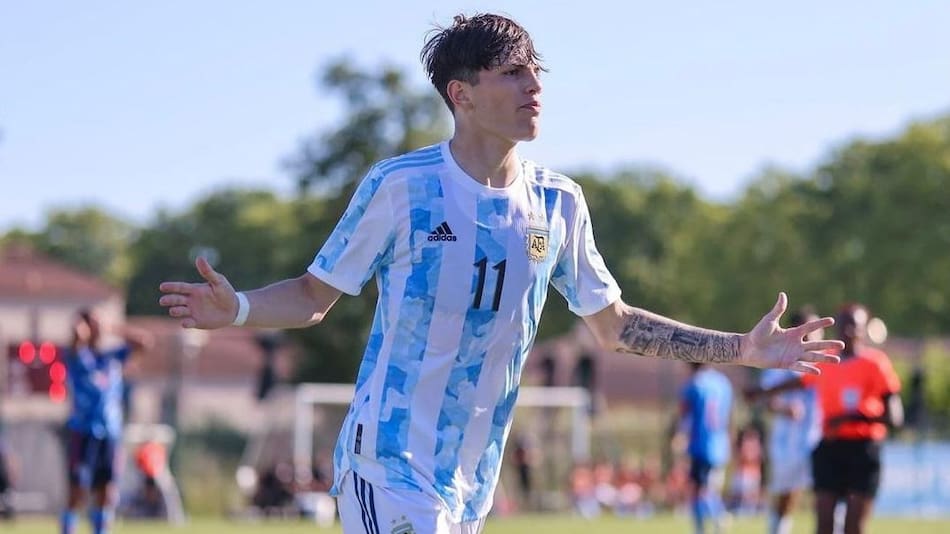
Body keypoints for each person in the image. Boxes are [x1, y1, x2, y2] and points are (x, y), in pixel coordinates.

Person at [157, 13, 840, 534]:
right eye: (514, 72)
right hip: (386, 461)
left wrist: (740, 350)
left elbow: (614, 325)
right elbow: (313, 296)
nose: (535, 87)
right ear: (462, 93)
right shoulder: (401, 188)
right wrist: (240, 309)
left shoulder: (558, 203)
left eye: (537, 71)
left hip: (472, 479)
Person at [747, 303, 901, 534]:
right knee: (824, 524)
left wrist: (852, 417)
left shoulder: (876, 363)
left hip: (864, 449)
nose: (848, 331)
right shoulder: (828, 361)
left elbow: (895, 417)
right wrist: (762, 392)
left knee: (853, 526)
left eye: (854, 325)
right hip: (830, 446)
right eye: (843, 324)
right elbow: (800, 382)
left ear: (864, 328)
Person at [61, 309, 152, 534]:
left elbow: (145, 343)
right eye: (93, 324)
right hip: (83, 432)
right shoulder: (78, 355)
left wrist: (113, 328)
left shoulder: (113, 356)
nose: (97, 328)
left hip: (110, 433)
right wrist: (81, 330)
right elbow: (74, 341)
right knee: (78, 490)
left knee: (107, 491)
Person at [759, 307, 823, 534]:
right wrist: (785, 409)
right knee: (788, 495)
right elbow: (764, 398)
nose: (817, 336)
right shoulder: (780, 361)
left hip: (818, 440)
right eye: (811, 330)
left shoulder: (825, 363)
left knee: (826, 494)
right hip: (787, 444)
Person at [674, 363, 733, 534]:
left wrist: (680, 435)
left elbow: (686, 414)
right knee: (705, 487)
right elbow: (728, 414)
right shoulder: (723, 382)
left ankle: (716, 519)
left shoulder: (694, 384)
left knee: (700, 489)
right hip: (720, 443)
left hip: (701, 444)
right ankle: (715, 519)